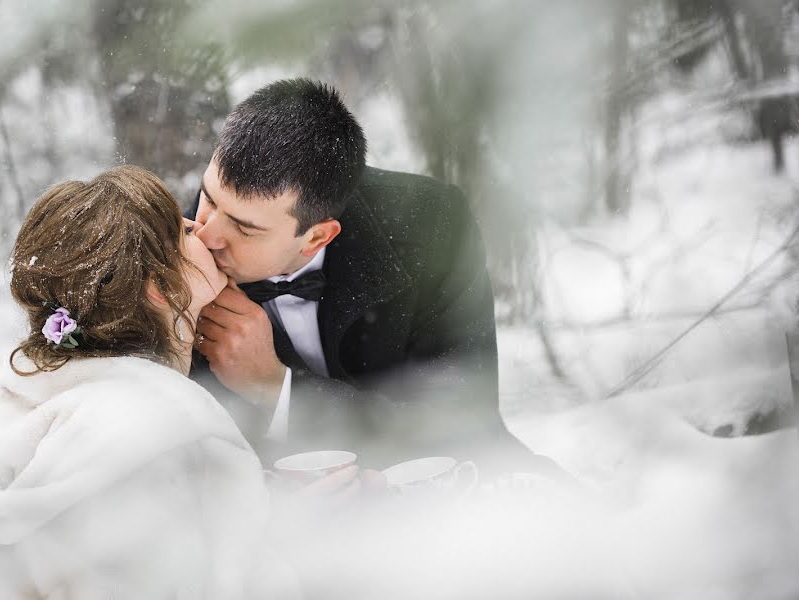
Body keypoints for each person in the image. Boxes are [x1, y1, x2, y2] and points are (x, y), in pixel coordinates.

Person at [0, 166, 297, 599]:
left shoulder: (25, 404)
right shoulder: (170, 433)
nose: (201, 229)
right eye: (183, 231)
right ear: (159, 289)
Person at [187, 78, 549, 475]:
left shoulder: (432, 226)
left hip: (456, 483)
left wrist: (275, 387)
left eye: (245, 228)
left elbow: (459, 420)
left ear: (317, 236)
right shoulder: (177, 252)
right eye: (209, 198)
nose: (206, 234)